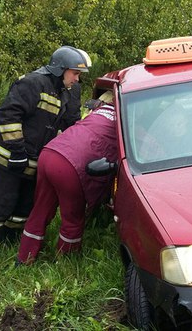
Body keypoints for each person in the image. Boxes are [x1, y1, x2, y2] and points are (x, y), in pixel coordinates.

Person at [0, 46, 92, 250]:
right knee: (1, 202)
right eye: (75, 73)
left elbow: (72, 123)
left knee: (25, 204)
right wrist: (16, 152)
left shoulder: (70, 91)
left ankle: (8, 241)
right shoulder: (32, 83)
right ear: (60, 69)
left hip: (33, 158)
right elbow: (8, 116)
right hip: (6, 155)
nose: (77, 79)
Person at [17, 90, 117, 264]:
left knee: (41, 208)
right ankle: (65, 262)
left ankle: (24, 257)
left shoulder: (96, 113)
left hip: (49, 152)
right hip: (69, 165)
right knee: (73, 217)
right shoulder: (125, 120)